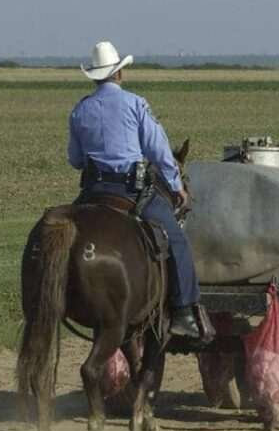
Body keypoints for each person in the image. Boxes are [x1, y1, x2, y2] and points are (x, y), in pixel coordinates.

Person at [67, 41, 200, 338]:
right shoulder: (135, 103)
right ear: (119, 73)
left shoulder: (79, 110)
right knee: (176, 240)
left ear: (95, 76)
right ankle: (184, 312)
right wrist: (176, 186)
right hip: (132, 191)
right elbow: (158, 150)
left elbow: (75, 160)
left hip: (91, 191)